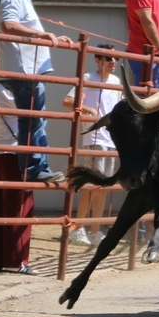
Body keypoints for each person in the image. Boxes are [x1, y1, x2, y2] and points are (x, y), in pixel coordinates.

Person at [0, 0, 67, 183]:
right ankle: (34, 168)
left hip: (23, 67)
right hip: (24, 69)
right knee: (32, 118)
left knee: (34, 118)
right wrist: (41, 34)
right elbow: (8, 25)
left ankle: (35, 166)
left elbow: (0, 22)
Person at [64, 45, 120, 247]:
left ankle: (94, 229)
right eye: (108, 58)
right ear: (98, 60)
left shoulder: (116, 82)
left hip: (111, 140)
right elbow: (68, 101)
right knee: (91, 185)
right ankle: (79, 228)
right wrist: (87, 109)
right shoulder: (88, 78)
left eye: (115, 58)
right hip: (94, 139)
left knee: (103, 187)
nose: (113, 62)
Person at [0, 81, 36, 274]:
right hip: (10, 150)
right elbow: (31, 111)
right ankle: (16, 261)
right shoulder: (12, 88)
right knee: (17, 205)